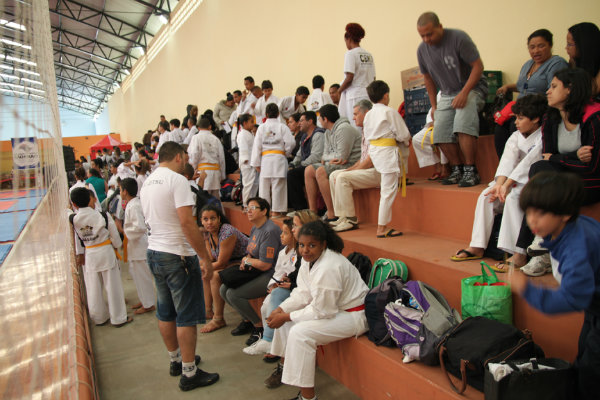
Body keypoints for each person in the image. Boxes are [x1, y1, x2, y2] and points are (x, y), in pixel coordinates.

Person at [508, 171, 600, 400]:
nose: (532, 220)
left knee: (592, 371)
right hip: (594, 305)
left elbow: (572, 298)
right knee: (585, 356)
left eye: (540, 213)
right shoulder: (572, 228)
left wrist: (527, 289)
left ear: (565, 213)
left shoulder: (576, 248)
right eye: (529, 212)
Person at [139, 142, 219, 391]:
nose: (187, 160)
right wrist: (204, 257)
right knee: (185, 315)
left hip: (155, 251)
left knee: (166, 311)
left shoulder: (148, 183)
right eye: (185, 156)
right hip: (177, 255)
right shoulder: (178, 180)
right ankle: (189, 372)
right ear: (177, 157)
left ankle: (176, 360)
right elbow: (187, 223)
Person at [266, 220, 369, 400]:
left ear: (323, 244)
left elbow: (323, 311)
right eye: (301, 245)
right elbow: (303, 292)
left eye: (311, 245)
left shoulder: (330, 266)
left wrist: (287, 316)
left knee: (300, 333)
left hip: (354, 315)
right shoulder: (309, 261)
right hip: (336, 310)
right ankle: (283, 366)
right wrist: (281, 309)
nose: (305, 250)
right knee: (285, 320)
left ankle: (308, 398)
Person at [515, 68, 600, 276]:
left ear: (570, 89)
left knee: (544, 178)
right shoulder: (551, 118)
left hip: (592, 183)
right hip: (563, 179)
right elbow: (547, 157)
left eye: (554, 86)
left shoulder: (594, 117)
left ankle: (532, 248)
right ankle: (542, 246)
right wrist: (572, 157)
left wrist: (558, 159)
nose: (548, 91)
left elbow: (593, 167)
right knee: (539, 169)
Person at [451, 94, 547, 268]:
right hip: (510, 181)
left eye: (521, 118)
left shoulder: (543, 136)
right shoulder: (516, 136)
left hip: (531, 181)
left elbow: (527, 164)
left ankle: (518, 253)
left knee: (513, 198)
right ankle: (477, 246)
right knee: (486, 195)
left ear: (535, 119)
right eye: (516, 118)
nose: (516, 122)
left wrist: (507, 185)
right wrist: (498, 185)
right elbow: (507, 161)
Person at [416, 12, 488, 187]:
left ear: (440, 27)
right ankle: (458, 168)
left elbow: (478, 67)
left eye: (429, 34)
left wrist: (464, 92)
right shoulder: (422, 50)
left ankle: (471, 170)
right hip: (447, 93)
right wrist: (434, 106)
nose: (426, 39)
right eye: (422, 36)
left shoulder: (458, 38)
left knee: (463, 122)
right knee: (439, 131)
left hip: (473, 88)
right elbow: (428, 79)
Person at [494, 29, 568, 157]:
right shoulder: (528, 64)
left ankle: (522, 163)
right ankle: (505, 165)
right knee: (500, 127)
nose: (536, 51)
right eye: (532, 47)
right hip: (521, 108)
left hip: (540, 108)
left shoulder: (556, 63)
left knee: (514, 125)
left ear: (550, 45)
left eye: (541, 46)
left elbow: (554, 91)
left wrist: (524, 112)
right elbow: (523, 86)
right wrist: (507, 86)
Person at [220, 197, 282, 346]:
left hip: (271, 274)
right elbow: (251, 253)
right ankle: (247, 320)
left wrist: (246, 261)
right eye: (247, 208)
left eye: (253, 208)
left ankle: (258, 327)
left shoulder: (270, 231)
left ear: (264, 211)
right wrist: (246, 260)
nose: (248, 211)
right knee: (223, 290)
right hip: (256, 270)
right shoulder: (255, 228)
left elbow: (266, 265)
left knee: (233, 294)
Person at [69, 187, 131, 327]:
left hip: (90, 254)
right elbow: (115, 236)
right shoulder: (102, 215)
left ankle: (99, 318)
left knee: (93, 288)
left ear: (74, 204)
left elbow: (76, 236)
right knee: (113, 286)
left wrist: (80, 253)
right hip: (105, 251)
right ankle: (118, 318)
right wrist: (117, 245)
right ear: (90, 199)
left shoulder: (74, 219)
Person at [363, 80, 411, 238]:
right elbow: (403, 134)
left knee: (386, 188)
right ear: (386, 95)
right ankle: (381, 228)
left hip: (375, 151)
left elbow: (368, 135)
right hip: (386, 152)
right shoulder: (389, 112)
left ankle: (382, 226)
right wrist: (403, 139)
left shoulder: (369, 114)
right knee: (387, 191)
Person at [243, 218, 297, 356]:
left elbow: (292, 274)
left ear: (294, 234)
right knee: (264, 307)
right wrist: (273, 285)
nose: (281, 236)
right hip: (278, 287)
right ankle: (269, 343)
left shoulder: (298, 253)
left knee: (272, 307)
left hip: (290, 289)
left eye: (285, 233)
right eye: (282, 232)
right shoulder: (282, 252)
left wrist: (283, 283)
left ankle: (271, 342)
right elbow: (277, 272)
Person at [305, 104, 362, 221]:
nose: (319, 121)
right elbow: (323, 156)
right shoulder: (327, 132)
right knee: (309, 170)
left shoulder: (344, 128)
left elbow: (342, 157)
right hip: (334, 163)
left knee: (320, 171)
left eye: (320, 118)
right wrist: (328, 159)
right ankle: (313, 212)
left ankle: (332, 213)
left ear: (325, 119)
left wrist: (327, 159)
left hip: (351, 163)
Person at [329, 99, 377, 232]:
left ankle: (350, 219)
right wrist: (347, 170)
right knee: (334, 174)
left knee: (342, 178)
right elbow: (362, 160)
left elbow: (370, 161)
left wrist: (347, 173)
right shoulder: (364, 130)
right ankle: (342, 216)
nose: (353, 118)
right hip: (368, 169)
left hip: (378, 171)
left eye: (356, 114)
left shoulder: (374, 130)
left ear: (366, 113)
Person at [200, 204, 249, 333]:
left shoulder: (227, 232)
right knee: (205, 271)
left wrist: (201, 267)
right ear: (201, 221)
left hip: (245, 262)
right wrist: (201, 264)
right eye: (205, 219)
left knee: (214, 275)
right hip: (231, 263)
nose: (209, 222)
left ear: (219, 219)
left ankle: (218, 318)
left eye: (213, 218)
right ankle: (208, 311)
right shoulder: (208, 234)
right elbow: (210, 258)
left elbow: (221, 263)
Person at [250, 103, 296, 216]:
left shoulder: (261, 128)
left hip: (265, 160)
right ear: (278, 114)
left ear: (266, 114)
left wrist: (256, 163)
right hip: (279, 158)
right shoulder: (282, 127)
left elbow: (256, 146)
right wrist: (285, 153)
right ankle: (276, 211)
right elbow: (291, 143)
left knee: (264, 186)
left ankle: (264, 211)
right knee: (278, 185)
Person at [120, 178, 155, 314]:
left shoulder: (134, 206)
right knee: (137, 275)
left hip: (140, 246)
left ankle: (148, 304)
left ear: (125, 191)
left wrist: (125, 231)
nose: (120, 192)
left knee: (143, 276)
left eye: (120, 189)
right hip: (135, 246)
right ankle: (144, 299)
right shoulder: (133, 204)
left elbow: (140, 227)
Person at [337, 23, 376, 125]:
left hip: (355, 96)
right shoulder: (369, 55)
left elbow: (349, 77)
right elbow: (373, 78)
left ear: (348, 39)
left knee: (356, 125)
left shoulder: (350, 54)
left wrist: (339, 91)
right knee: (368, 125)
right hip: (368, 95)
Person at [287, 111, 325, 211]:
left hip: (315, 166)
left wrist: (300, 165)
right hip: (306, 165)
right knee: (289, 171)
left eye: (301, 121)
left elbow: (316, 156)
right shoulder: (304, 136)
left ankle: (301, 209)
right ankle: (297, 208)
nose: (299, 123)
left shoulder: (318, 134)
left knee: (293, 175)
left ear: (310, 121)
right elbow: (299, 154)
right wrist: (293, 164)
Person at [188, 117, 226, 199]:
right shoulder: (216, 139)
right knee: (215, 199)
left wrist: (192, 170)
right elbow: (221, 158)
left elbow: (194, 154)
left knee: (203, 199)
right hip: (215, 172)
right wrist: (222, 175)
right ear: (210, 127)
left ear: (198, 128)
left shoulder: (196, 138)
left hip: (202, 172)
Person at [566, 22, 600, 98]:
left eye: (569, 44)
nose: (566, 48)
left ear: (583, 44)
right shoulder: (575, 61)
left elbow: (592, 90)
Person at [237, 113, 260, 208]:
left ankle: (251, 203)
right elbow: (243, 149)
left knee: (254, 184)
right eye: (251, 122)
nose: (253, 124)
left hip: (252, 163)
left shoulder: (249, 133)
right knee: (248, 184)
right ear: (245, 123)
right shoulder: (243, 134)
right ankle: (246, 204)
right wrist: (246, 160)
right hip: (247, 163)